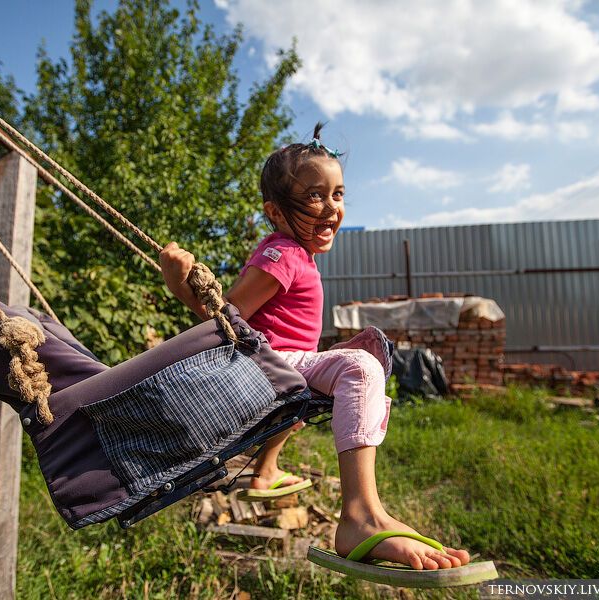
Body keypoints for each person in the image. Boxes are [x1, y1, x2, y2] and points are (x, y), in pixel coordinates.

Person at [159, 124, 471, 571]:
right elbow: (226, 320)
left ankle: (265, 471)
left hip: (280, 364)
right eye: (314, 196)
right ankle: (360, 516)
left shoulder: (289, 252)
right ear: (278, 212)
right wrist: (180, 287)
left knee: (307, 403)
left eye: (338, 194)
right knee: (361, 365)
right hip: (268, 363)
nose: (331, 208)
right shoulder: (283, 254)